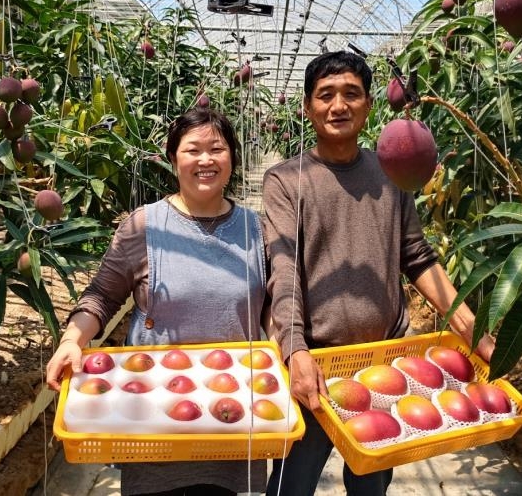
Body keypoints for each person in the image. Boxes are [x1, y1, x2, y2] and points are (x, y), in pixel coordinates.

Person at [263, 51, 495, 496]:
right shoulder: (286, 180)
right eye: (325, 95)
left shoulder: (391, 174)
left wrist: (468, 322)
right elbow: (284, 268)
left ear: (369, 105)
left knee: (371, 484)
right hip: (317, 362)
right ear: (308, 107)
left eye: (351, 94)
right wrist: (294, 349)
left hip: (383, 364)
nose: (338, 106)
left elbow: (416, 255)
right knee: (292, 484)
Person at [45, 107, 268, 496]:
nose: (205, 160)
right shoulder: (146, 224)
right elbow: (102, 295)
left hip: (231, 412)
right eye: (192, 150)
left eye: (217, 149)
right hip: (155, 408)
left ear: (232, 156)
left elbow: (273, 306)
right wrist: (71, 342)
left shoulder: (255, 228)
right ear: (172, 159)